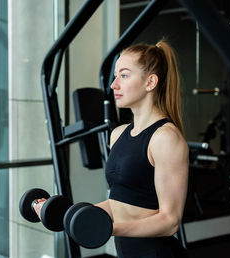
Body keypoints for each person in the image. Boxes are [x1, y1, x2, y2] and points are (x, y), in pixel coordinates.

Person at [35, 40, 189, 257]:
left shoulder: (165, 138)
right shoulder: (118, 135)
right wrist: (69, 217)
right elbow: (118, 204)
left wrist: (106, 228)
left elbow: (170, 221)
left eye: (124, 75)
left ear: (150, 82)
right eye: (115, 76)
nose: (113, 85)